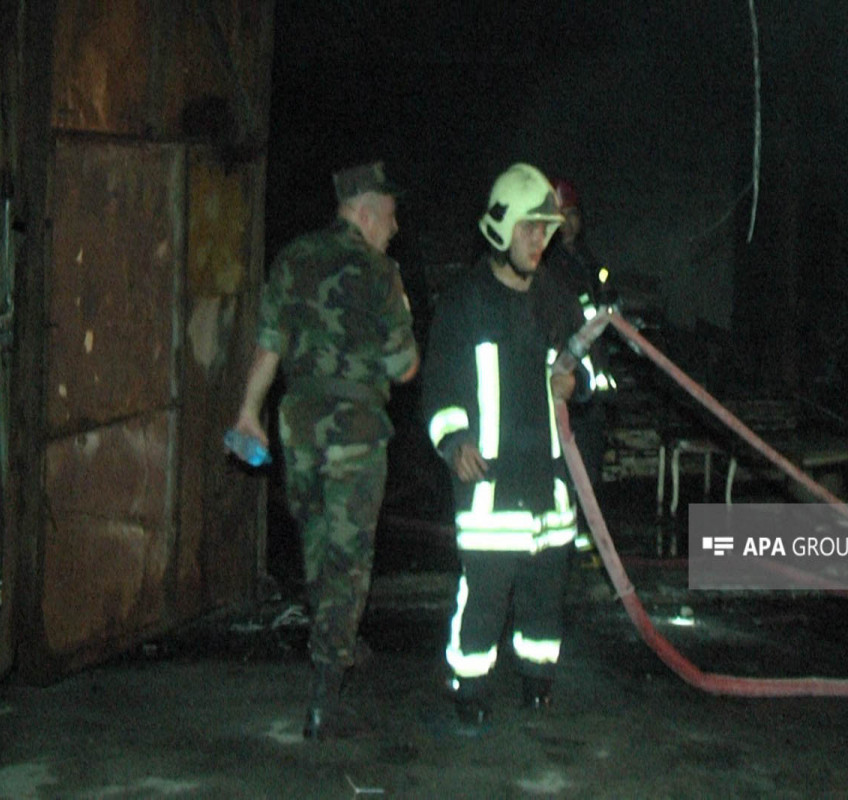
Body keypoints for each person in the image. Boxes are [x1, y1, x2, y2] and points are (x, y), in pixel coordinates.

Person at [231, 160, 419, 740]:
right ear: (363, 212)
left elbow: (269, 346)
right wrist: (406, 315)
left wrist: (247, 413)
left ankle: (335, 643)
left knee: (317, 544)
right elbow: (404, 367)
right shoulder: (379, 271)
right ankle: (326, 694)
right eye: (388, 216)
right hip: (356, 429)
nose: (394, 229)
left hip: (299, 426)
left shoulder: (292, 259)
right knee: (350, 557)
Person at [422, 163, 593, 729]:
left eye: (545, 228)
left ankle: (537, 681)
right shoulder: (464, 301)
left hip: (549, 489)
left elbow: (599, 371)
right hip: (490, 488)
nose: (538, 239)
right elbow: (440, 386)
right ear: (501, 228)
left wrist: (582, 382)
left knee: (546, 596)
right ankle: (468, 684)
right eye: (528, 227)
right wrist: (454, 441)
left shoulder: (561, 299)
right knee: (486, 595)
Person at [544, 178, 617, 549]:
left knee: (590, 462)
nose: (568, 223)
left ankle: (590, 537)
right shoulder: (548, 265)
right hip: (566, 383)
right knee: (566, 463)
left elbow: (603, 315)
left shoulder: (589, 261)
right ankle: (568, 536)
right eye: (560, 215)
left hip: (592, 386)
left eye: (572, 214)